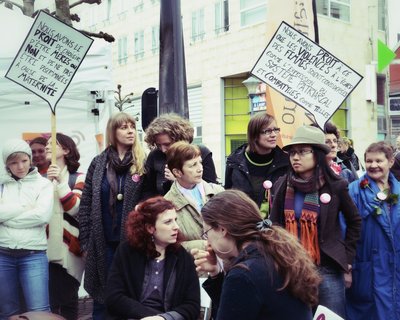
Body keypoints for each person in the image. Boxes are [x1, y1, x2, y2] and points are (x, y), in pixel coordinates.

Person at [269, 125, 361, 318]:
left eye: (302, 152)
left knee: (330, 316)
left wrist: (348, 259)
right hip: (292, 268)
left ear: (317, 154)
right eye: (292, 152)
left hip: (327, 269)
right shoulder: (282, 185)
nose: (295, 157)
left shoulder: (336, 185)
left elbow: (354, 221)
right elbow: (275, 225)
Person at [191, 189, 321, 320]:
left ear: (222, 229)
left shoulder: (243, 274)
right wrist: (215, 274)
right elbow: (239, 309)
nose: (207, 240)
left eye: (207, 233)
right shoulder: (277, 251)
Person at [78, 112, 146, 320]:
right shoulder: (98, 163)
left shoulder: (143, 163)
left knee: (130, 294)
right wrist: (86, 242)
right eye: (124, 127)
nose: (130, 131)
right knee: (103, 295)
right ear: (113, 132)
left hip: (133, 242)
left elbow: (152, 199)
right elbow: (86, 204)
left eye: (132, 127)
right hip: (103, 241)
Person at [105, 196, 200, 320]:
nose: (176, 226)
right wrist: (149, 317)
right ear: (150, 228)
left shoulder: (183, 257)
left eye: (175, 220)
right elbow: (113, 297)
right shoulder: (127, 252)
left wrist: (164, 318)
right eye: (168, 222)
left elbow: (192, 305)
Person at [0, 139, 54, 319]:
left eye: (23, 160)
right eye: (13, 162)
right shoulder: (2, 185)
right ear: (6, 164)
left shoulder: (43, 184)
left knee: (39, 311)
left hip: (33, 255)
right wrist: (25, 208)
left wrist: (6, 218)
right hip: (3, 254)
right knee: (8, 312)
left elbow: (42, 216)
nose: (20, 166)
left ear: (30, 159)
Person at [346, 141, 400, 320]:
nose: (373, 165)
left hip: (395, 265)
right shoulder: (354, 190)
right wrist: (347, 267)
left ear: (390, 162)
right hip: (367, 264)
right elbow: (344, 228)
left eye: (379, 161)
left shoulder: (398, 189)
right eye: (369, 161)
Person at [45, 133, 86, 320]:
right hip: (44, 249)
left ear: (66, 150)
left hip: (70, 248)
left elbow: (75, 209)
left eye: (52, 143)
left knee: (69, 301)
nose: (47, 147)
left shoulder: (79, 178)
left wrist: (61, 182)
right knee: (49, 303)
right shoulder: (40, 180)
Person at [225, 113, 289, 217]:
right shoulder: (234, 162)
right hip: (242, 226)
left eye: (275, 130)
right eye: (268, 131)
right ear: (254, 135)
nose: (273, 135)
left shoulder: (285, 162)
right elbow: (228, 196)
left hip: (275, 227)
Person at [164, 142, 224, 252]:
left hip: (225, 263)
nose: (200, 168)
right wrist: (204, 245)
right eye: (192, 165)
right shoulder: (167, 204)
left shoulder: (218, 192)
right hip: (193, 266)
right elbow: (169, 245)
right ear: (177, 172)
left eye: (200, 163)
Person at [143, 113, 217, 197]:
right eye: (158, 145)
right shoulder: (155, 155)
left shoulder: (201, 153)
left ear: (180, 138)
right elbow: (148, 190)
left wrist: (179, 180)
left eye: (167, 144)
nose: (163, 150)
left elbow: (211, 189)